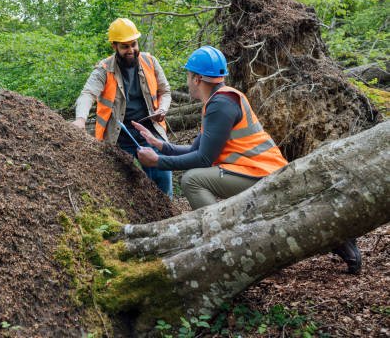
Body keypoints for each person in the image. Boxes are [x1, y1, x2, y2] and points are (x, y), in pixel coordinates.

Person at [132, 45, 361, 274]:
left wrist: (158, 162)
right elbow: (196, 148)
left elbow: (202, 159)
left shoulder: (220, 105)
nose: (188, 79)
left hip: (260, 172)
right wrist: (160, 146)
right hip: (256, 170)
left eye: (189, 75)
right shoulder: (218, 101)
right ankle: (341, 241)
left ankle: (224, 245)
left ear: (197, 78)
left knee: (192, 180)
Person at [72, 18, 173, 197]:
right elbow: (87, 94)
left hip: (151, 131)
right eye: (125, 46)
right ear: (114, 47)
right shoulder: (104, 69)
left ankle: (169, 216)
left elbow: (165, 91)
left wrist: (162, 109)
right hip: (119, 137)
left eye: (133, 44)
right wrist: (80, 120)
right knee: (127, 188)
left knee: (162, 178)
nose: (131, 50)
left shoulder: (150, 62)